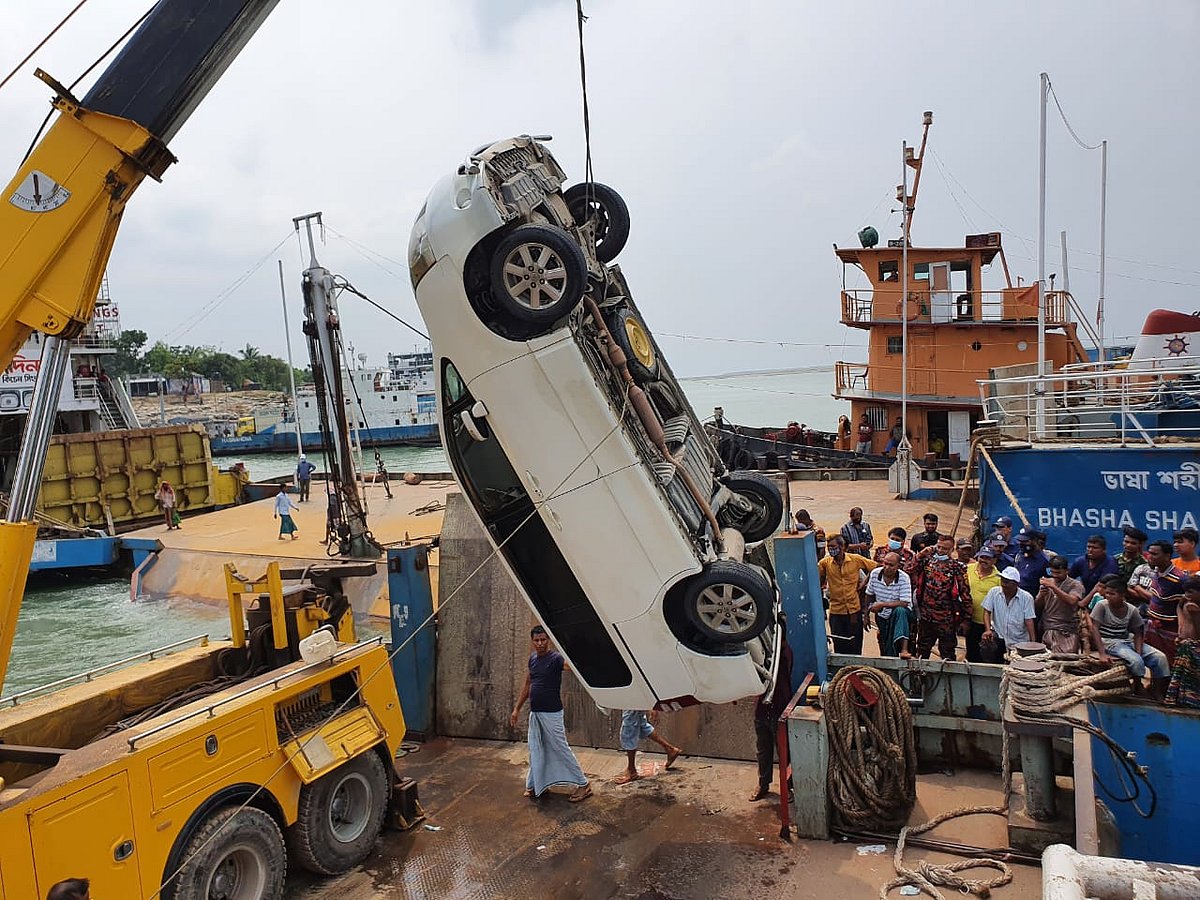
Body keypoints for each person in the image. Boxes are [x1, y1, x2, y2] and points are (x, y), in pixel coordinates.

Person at [510, 625, 591, 801]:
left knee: (560, 748)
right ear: (532, 642)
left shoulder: (555, 658)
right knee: (536, 748)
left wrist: (576, 646)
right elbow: (527, 685)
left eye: (543, 640)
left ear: (548, 640)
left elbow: (570, 666)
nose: (540, 643)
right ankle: (535, 785)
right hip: (536, 713)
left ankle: (583, 784)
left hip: (552, 713)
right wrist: (516, 708)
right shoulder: (532, 659)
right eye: (536, 640)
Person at [1088, 575, 1170, 698]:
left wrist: (1139, 650)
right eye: (1107, 593)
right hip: (1109, 641)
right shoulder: (1101, 605)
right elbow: (1095, 628)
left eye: (1112, 594)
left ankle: (1157, 690)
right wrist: (1102, 653)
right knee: (1136, 661)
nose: (1108, 596)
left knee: (1160, 658)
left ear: (1122, 595)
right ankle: (1138, 685)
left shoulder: (1132, 610)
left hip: (1127, 639)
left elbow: (1138, 632)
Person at [750, 613, 794, 801]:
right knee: (763, 749)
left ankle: (788, 787)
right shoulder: (765, 655)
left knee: (784, 751)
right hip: (762, 707)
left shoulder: (784, 654)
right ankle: (763, 784)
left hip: (780, 706)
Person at [913, 534, 972, 661]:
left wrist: (966, 619)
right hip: (926, 616)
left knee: (948, 653)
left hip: (946, 618)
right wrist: (920, 554)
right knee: (922, 651)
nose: (940, 551)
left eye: (944, 549)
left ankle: (947, 680)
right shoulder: (927, 561)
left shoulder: (957, 567)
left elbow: (965, 593)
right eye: (938, 547)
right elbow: (908, 569)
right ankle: (920, 679)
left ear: (952, 550)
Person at [817, 534, 876, 654]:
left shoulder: (855, 559)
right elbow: (818, 582)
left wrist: (864, 583)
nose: (830, 549)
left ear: (842, 547)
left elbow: (875, 568)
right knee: (839, 645)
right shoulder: (825, 563)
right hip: (836, 612)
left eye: (833, 546)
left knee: (855, 644)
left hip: (853, 611)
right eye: (829, 547)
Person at [982, 567, 1037, 659]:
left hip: (1018, 639)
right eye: (1002, 580)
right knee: (988, 647)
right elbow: (987, 611)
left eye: (1007, 582)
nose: (1003, 584)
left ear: (1015, 584)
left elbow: (1029, 621)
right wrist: (988, 630)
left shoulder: (1026, 598)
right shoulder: (994, 592)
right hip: (999, 636)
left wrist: (1033, 643)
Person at [866, 552, 913, 658]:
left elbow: (905, 603)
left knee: (900, 611)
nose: (887, 567)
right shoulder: (875, 573)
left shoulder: (904, 578)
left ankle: (904, 649)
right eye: (885, 563)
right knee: (886, 645)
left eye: (891, 565)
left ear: (898, 566)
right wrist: (866, 615)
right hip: (882, 615)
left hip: (900, 614)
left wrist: (882, 604)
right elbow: (869, 595)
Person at [615, 710, 682, 785]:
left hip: (633, 701)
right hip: (632, 701)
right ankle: (670, 749)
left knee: (629, 728)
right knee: (641, 725)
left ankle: (631, 771)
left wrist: (652, 708)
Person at [1036, 555, 1086, 653]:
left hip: (1067, 628)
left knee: (1068, 655)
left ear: (1067, 570)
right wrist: (1041, 595)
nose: (1055, 575)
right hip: (1048, 626)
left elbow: (1072, 601)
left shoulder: (1076, 585)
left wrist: (1054, 588)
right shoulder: (1047, 582)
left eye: (1058, 573)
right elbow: (1037, 605)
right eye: (1052, 572)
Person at [1164, 580, 1200, 709]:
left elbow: (1197, 632)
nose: (1187, 594)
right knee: (1179, 674)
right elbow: (1179, 607)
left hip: (1194, 647)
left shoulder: (1195, 608)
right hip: (1183, 643)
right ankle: (1178, 699)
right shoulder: (1185, 602)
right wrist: (1180, 628)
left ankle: (1191, 702)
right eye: (1185, 592)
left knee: (1191, 676)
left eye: (1191, 592)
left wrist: (1194, 614)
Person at [965, 547, 1001, 662]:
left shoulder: (998, 578)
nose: (984, 561)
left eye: (988, 558)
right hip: (969, 620)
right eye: (982, 557)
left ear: (994, 560)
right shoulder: (967, 569)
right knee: (971, 652)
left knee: (986, 655)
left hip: (987, 624)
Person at [1070, 534, 1120, 600]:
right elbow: (1069, 578)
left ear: (1104, 550)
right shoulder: (1080, 561)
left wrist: (1083, 603)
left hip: (1104, 598)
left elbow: (1100, 586)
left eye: (1095, 548)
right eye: (1088, 547)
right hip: (1085, 595)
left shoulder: (1110, 563)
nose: (1090, 550)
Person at [1013, 528, 1051, 596]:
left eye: (1025, 541)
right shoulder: (1019, 555)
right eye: (1020, 541)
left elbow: (1049, 580)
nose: (1022, 544)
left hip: (1032, 598)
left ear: (1034, 540)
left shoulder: (1044, 561)